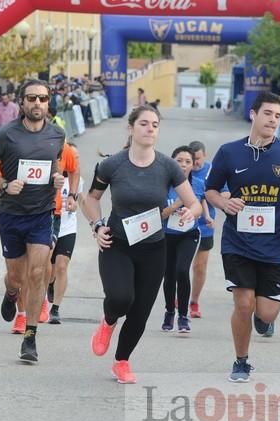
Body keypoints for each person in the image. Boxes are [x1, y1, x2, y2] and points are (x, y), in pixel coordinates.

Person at [84, 105, 202, 384]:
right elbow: (90, 199)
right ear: (131, 128)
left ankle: (121, 361)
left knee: (140, 311)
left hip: (153, 248)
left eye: (155, 125)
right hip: (117, 244)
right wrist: (97, 226)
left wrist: (191, 211)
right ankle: (108, 321)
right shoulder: (112, 164)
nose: (150, 129)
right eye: (144, 124)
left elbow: (194, 201)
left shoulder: (168, 166)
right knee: (121, 298)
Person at [205, 91, 280, 382]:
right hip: (237, 241)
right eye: (268, 114)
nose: (273, 120)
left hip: (275, 243)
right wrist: (224, 203)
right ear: (253, 114)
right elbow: (210, 189)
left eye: (278, 116)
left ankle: (260, 318)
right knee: (243, 303)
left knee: (267, 313)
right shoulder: (229, 152)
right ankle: (241, 361)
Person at [0, 79, 69, 363]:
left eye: (43, 99)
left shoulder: (57, 133)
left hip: (41, 214)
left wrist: (57, 178)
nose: (37, 104)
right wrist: (5, 184)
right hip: (11, 214)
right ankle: (10, 292)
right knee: (18, 277)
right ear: (22, 102)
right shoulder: (6, 135)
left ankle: (30, 336)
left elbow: (55, 164)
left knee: (38, 273)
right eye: (32, 98)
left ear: (48, 103)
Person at [160, 146, 206, 333]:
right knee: (169, 274)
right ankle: (170, 311)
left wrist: (205, 215)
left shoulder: (198, 184)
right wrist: (179, 204)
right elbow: (161, 215)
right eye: (179, 160)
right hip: (166, 234)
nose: (184, 165)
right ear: (172, 162)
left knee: (181, 270)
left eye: (188, 161)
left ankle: (183, 316)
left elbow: (202, 205)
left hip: (189, 234)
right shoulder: (162, 185)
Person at [188, 140, 228, 318]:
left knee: (199, 266)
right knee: (179, 266)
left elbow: (226, 193)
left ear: (204, 155)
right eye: (192, 159)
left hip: (205, 226)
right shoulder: (183, 169)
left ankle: (194, 301)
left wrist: (211, 196)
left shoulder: (212, 170)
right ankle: (178, 295)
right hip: (182, 227)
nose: (195, 163)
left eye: (197, 159)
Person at [46, 142, 81, 325]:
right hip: (51, 223)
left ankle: (55, 309)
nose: (73, 160)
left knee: (61, 266)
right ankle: (49, 284)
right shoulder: (53, 175)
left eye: (76, 157)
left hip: (68, 228)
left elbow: (83, 200)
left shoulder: (76, 180)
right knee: (49, 269)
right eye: (71, 157)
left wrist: (74, 201)